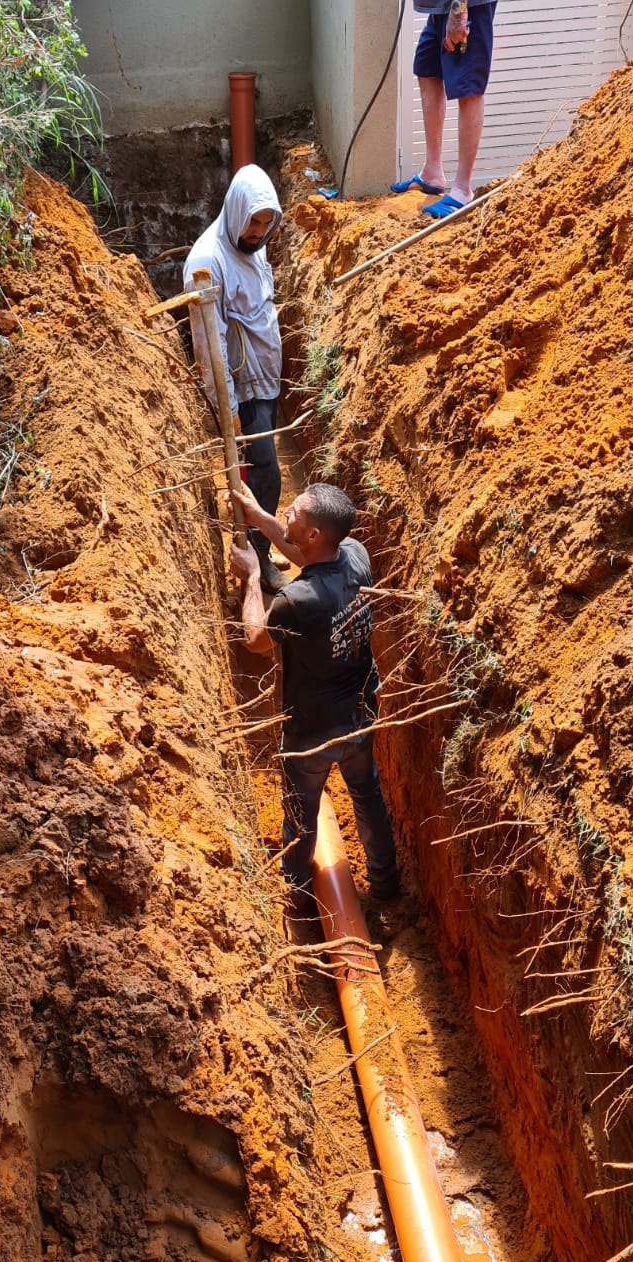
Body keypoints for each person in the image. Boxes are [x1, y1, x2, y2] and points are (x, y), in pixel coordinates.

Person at [229, 479, 401, 917]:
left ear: (313, 534)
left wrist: (251, 577)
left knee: (301, 815)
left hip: (311, 732)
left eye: (294, 514)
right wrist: (260, 518)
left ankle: (298, 898)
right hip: (361, 711)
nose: (286, 511)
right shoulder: (356, 554)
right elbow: (307, 557)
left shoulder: (295, 600)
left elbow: (253, 639)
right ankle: (385, 883)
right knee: (366, 794)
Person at [185, 165, 288, 595]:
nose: (259, 232)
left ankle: (252, 539)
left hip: (266, 377)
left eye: (267, 223)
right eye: (254, 222)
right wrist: (226, 406)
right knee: (266, 470)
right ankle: (257, 557)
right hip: (242, 387)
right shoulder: (208, 263)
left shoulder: (256, 242)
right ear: (236, 211)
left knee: (257, 464)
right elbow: (210, 343)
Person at [390, 0, 496, 219]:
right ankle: (432, 172)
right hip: (442, 8)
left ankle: (462, 190)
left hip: (466, 7)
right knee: (426, 67)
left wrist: (459, 12)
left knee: (469, 88)